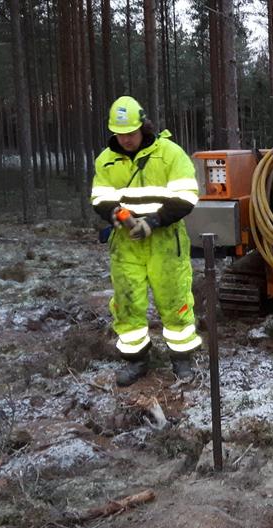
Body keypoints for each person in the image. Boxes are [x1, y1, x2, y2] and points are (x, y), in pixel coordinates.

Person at [90, 96, 202, 387]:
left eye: (130, 132)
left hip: (165, 241)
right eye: (120, 133)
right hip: (125, 244)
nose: (126, 139)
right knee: (127, 303)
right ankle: (136, 360)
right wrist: (118, 215)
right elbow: (100, 198)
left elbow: (187, 197)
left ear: (143, 125)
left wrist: (152, 222)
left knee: (175, 299)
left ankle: (182, 359)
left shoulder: (169, 154)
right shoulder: (106, 160)